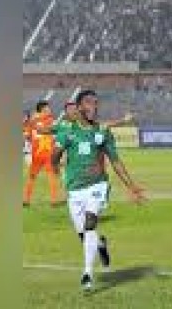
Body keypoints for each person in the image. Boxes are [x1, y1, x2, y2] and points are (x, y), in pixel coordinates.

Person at [52, 90, 146, 291]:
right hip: (75, 188)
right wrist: (56, 163)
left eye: (96, 103)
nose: (93, 107)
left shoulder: (102, 132)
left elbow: (115, 161)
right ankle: (100, 244)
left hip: (97, 185)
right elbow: (55, 156)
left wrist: (131, 185)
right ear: (79, 107)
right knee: (84, 234)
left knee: (90, 224)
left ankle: (87, 274)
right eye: (88, 103)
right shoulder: (67, 131)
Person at [23, 101, 62, 207]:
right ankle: (54, 200)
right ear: (42, 109)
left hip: (36, 153)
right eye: (47, 108)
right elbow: (55, 132)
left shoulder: (32, 120)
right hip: (48, 153)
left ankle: (26, 200)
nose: (49, 109)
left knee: (32, 176)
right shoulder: (49, 119)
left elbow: (27, 136)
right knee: (52, 175)